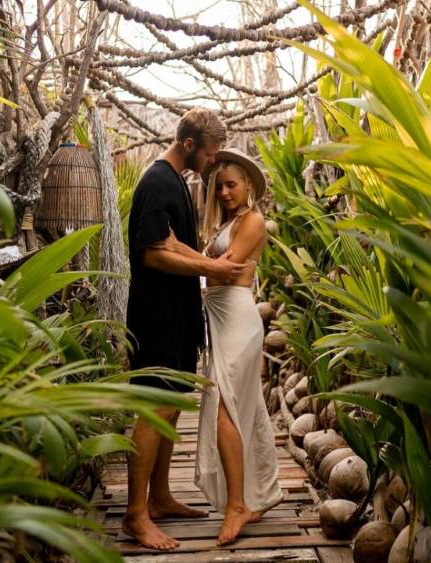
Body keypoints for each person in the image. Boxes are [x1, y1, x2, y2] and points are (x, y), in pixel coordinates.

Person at [122, 108, 248, 551]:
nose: (214, 163)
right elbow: (151, 252)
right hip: (156, 317)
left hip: (177, 319)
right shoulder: (157, 181)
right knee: (154, 409)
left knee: (171, 407)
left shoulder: (175, 180)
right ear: (190, 145)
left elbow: (172, 241)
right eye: (210, 154)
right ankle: (136, 514)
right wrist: (212, 265)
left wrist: (205, 264)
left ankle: (159, 497)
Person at [158, 148, 283, 545]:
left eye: (232, 185)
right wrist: (176, 246)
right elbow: (210, 266)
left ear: (248, 185)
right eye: (220, 186)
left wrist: (176, 248)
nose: (226, 192)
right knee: (249, 409)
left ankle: (236, 506)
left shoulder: (254, 221)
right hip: (221, 321)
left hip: (238, 322)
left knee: (225, 410)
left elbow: (224, 267)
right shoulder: (227, 221)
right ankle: (260, 495)